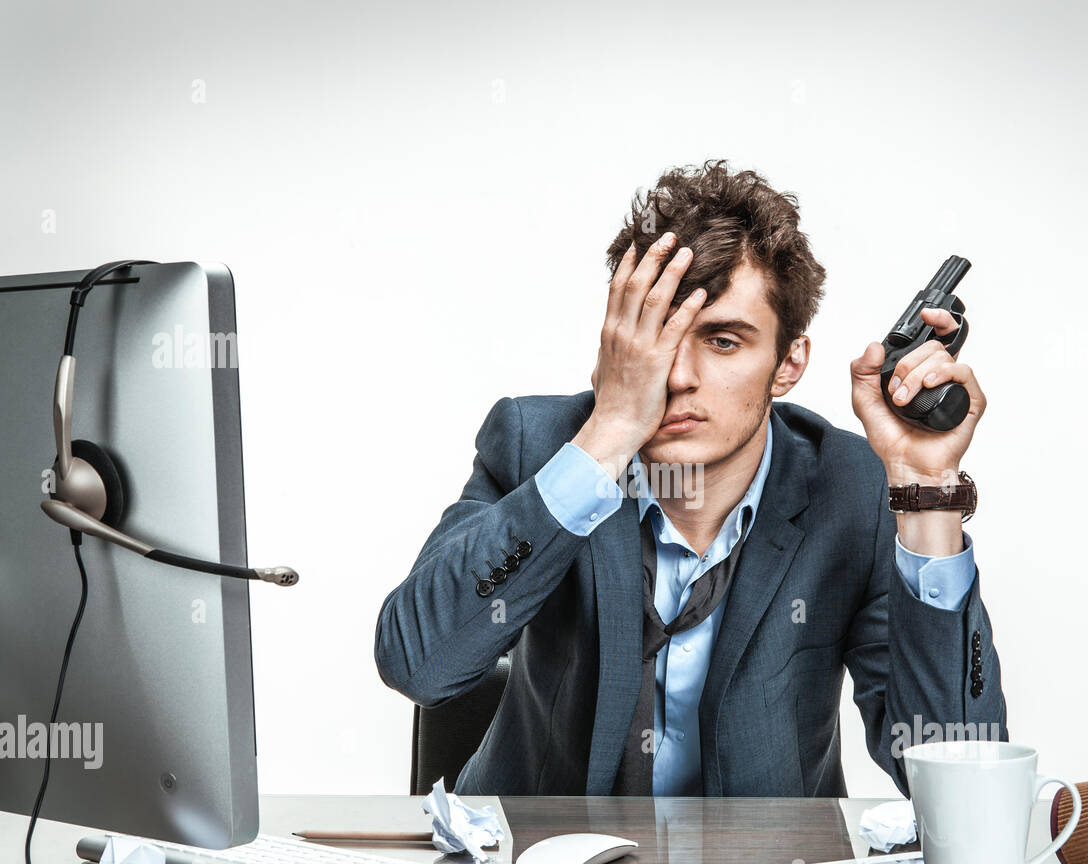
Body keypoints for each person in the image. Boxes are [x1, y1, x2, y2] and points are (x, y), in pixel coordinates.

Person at [375, 160, 1006, 796]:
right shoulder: (538, 445)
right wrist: (609, 433)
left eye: (724, 341)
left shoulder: (851, 489)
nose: (677, 376)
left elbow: (957, 779)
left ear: (789, 364)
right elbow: (418, 665)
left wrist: (928, 493)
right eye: (657, 333)